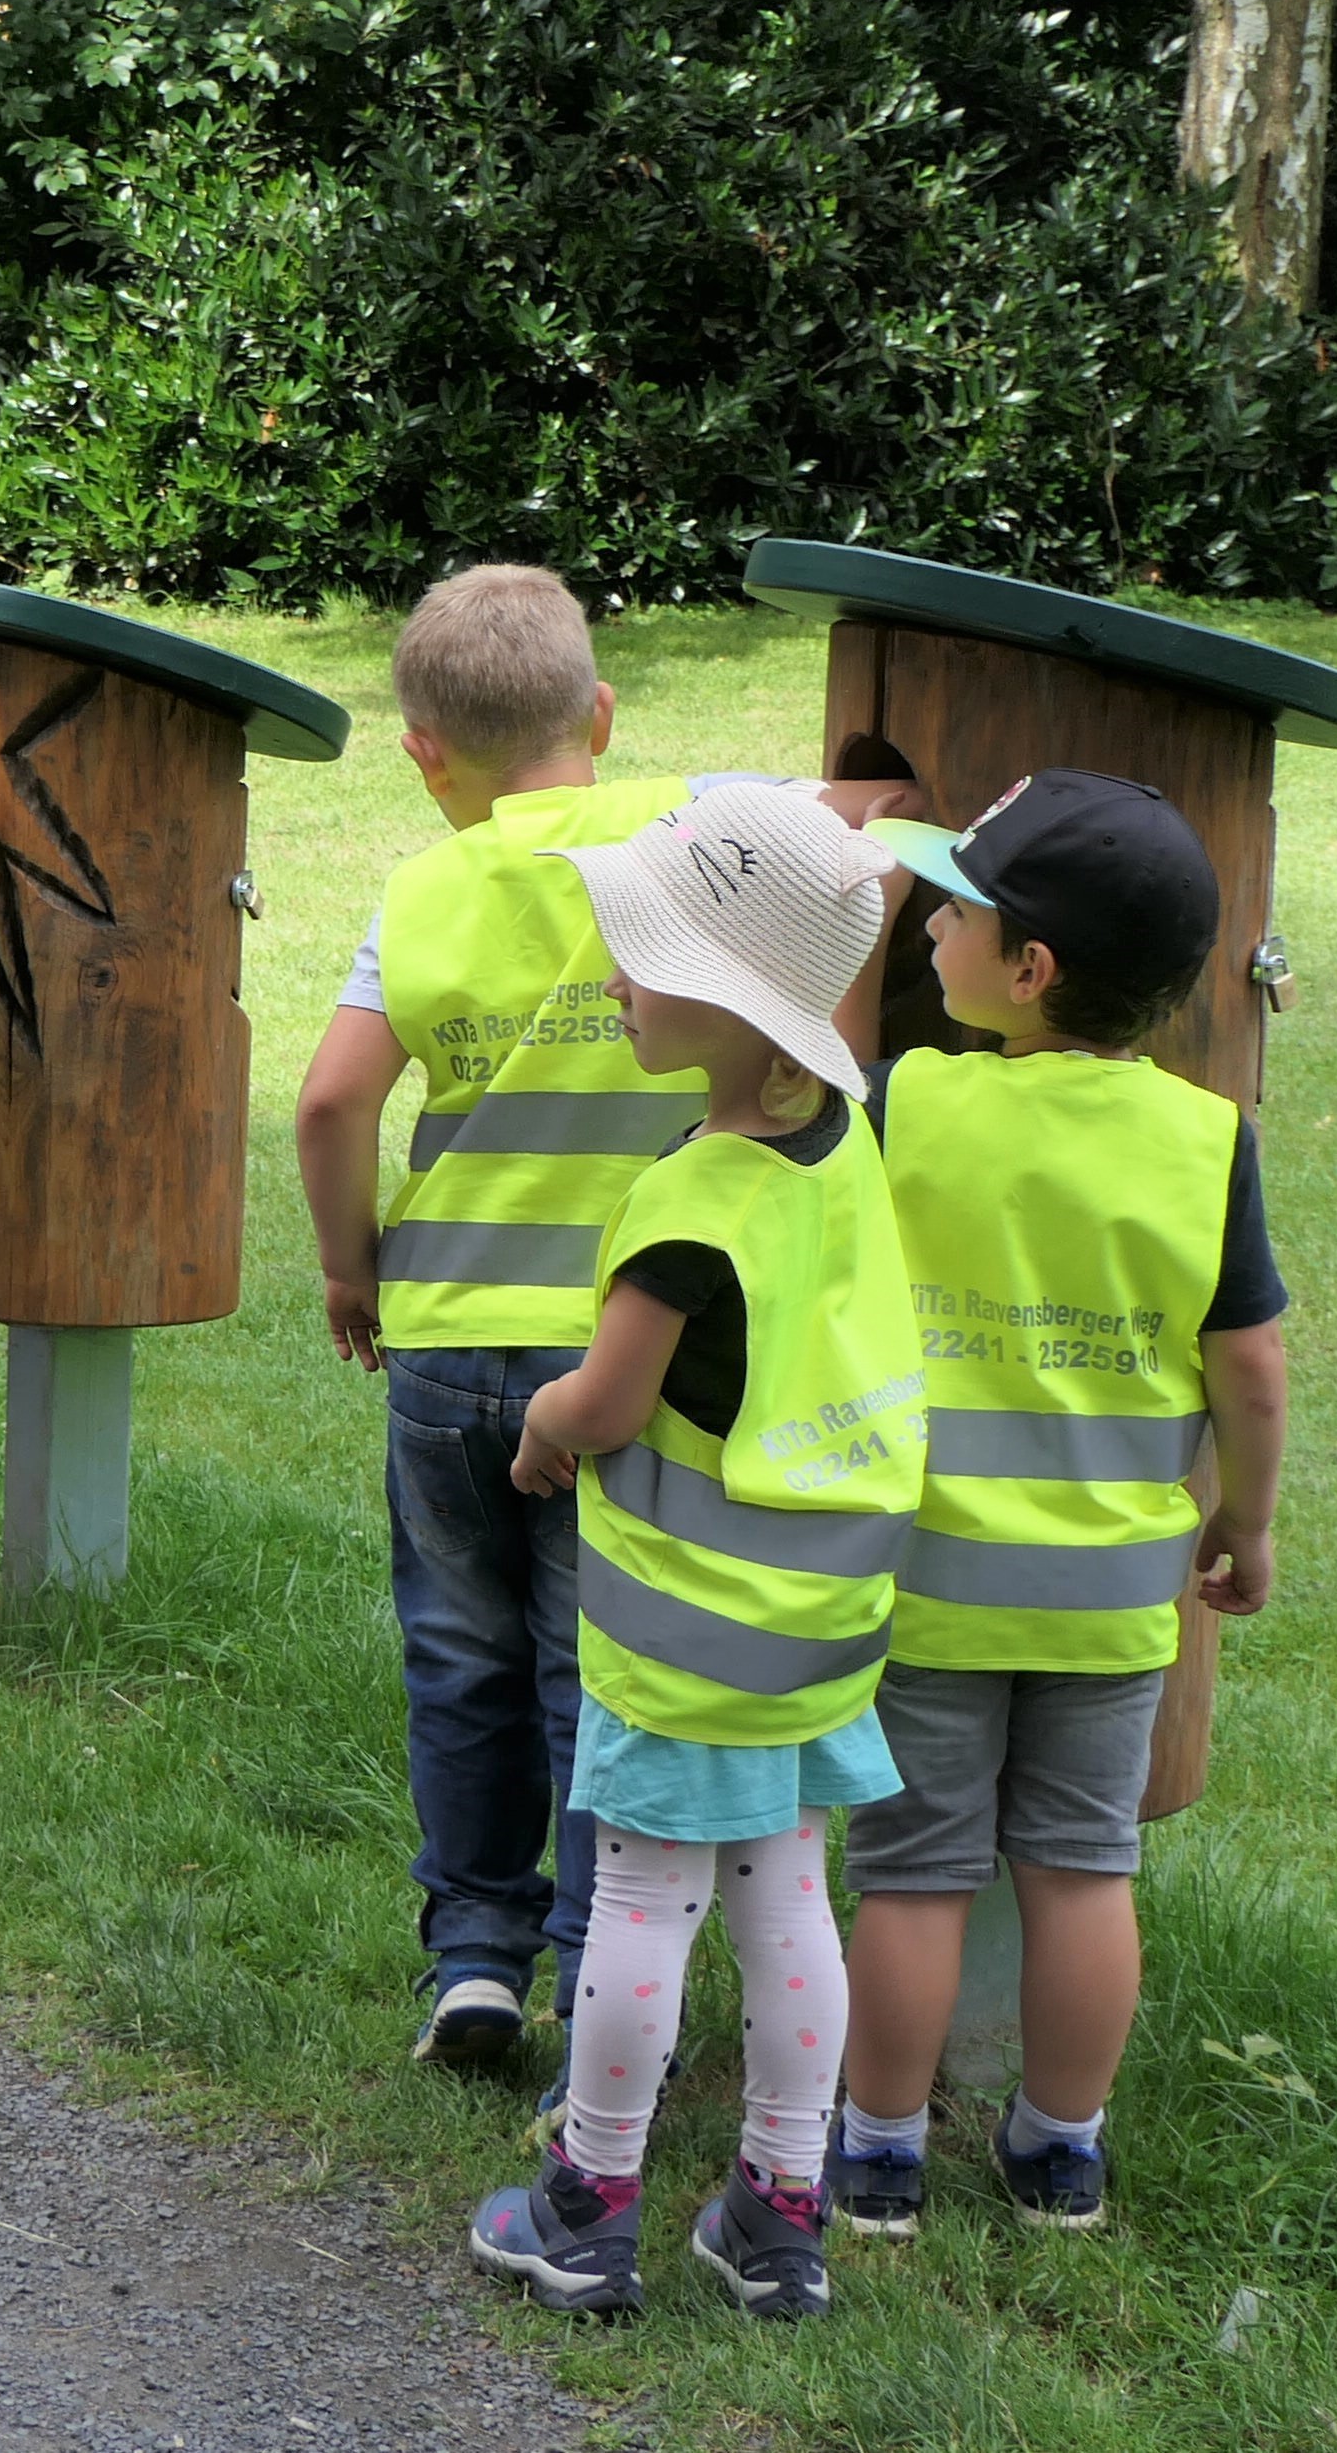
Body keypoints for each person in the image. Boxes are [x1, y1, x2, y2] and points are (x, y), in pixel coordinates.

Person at [295, 564, 890, 2075]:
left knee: (455, 1653)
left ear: (420, 751)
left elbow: (330, 1096)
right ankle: (587, 1970)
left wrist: (347, 1262)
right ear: (602, 713)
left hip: (441, 1344)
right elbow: (840, 819)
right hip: (617, 1358)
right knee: (592, 1669)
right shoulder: (681, 830)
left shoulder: (419, 888)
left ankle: (471, 1956)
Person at [467, 784, 923, 2326]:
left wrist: (534, 1425)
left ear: (729, 1005)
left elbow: (602, 1401)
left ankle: (587, 2201)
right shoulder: (839, 1136)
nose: (614, 975)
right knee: (787, 1897)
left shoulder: (685, 1202)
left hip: (683, 1638)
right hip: (819, 1623)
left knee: (643, 1905)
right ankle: (774, 2212)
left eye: (642, 955)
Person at [827, 775, 1293, 2237]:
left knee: (910, 1874)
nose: (933, 933)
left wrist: (860, 896)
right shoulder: (1202, 1140)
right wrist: (1247, 1520)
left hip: (925, 1578)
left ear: (1025, 968)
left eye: (952, 910)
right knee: (1083, 1870)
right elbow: (1251, 1367)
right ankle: (1056, 2149)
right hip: (1105, 1598)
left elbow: (814, 1068)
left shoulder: (914, 1097)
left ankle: (880, 2150)